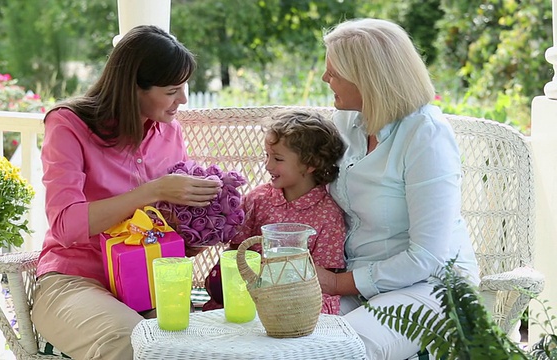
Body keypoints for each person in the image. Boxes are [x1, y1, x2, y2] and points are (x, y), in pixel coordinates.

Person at [30, 25, 221, 360]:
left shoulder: (169, 132)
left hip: (148, 285)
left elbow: (165, 231)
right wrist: (153, 191)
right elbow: (67, 225)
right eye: (172, 89)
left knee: (198, 346)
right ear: (134, 87)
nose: (184, 99)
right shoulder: (68, 125)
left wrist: (202, 229)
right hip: (75, 281)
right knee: (128, 341)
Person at [317, 18, 480, 359]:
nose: (325, 79)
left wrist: (335, 284)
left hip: (429, 287)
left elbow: (426, 257)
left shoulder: (426, 135)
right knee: (286, 340)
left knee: (340, 350)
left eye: (334, 72)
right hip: (355, 276)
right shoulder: (346, 121)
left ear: (368, 78)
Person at [203, 109, 347, 315]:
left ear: (311, 164)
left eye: (278, 159)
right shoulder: (258, 199)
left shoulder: (328, 214)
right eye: (267, 156)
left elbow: (323, 279)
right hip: (244, 298)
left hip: (294, 304)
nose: (267, 165)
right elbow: (236, 251)